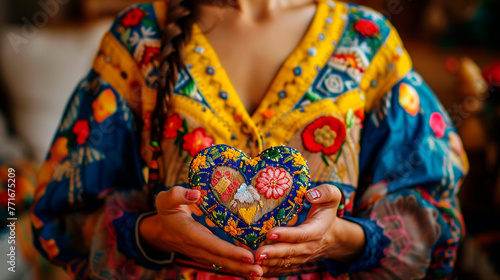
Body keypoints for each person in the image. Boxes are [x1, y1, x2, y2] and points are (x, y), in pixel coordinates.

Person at [31, 0, 468, 279]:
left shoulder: (367, 41)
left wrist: (342, 239)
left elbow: (437, 223)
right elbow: (62, 213)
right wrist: (152, 234)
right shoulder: (137, 35)